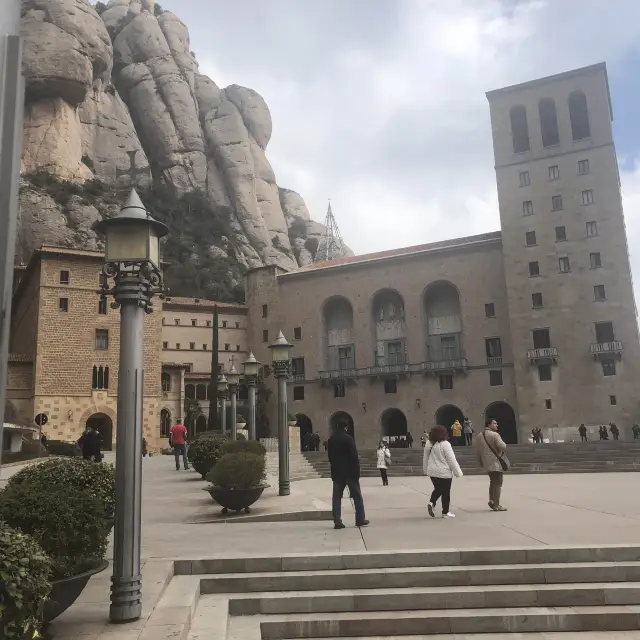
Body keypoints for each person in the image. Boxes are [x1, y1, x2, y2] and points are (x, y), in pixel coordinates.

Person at [327, 420, 369, 529]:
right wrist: (357, 472)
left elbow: (330, 457)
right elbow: (354, 456)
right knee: (357, 496)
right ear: (345, 427)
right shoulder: (348, 438)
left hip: (337, 473)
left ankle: (337, 521)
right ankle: (360, 519)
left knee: (336, 498)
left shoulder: (331, 440)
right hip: (350, 473)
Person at [423, 425, 463, 518]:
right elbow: (451, 459)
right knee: (446, 492)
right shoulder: (445, 444)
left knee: (438, 489)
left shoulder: (429, 444)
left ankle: (432, 503)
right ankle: (445, 512)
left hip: (432, 472)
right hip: (444, 472)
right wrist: (457, 472)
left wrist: (425, 470)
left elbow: (425, 458)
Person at [476, 418, 508, 512]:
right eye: (494, 423)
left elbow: (477, 451)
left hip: (486, 463)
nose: (496, 425)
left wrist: (480, 461)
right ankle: (497, 504)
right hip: (496, 462)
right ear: (488, 424)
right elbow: (503, 446)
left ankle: (491, 500)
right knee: (498, 483)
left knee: (492, 482)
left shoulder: (479, 435)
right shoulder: (495, 435)